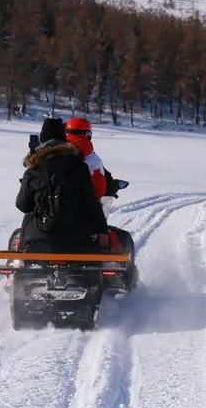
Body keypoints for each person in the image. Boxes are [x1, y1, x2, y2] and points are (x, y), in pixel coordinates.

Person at [14, 117, 109, 253]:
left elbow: (22, 205)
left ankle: (19, 257)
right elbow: (91, 202)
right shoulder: (79, 166)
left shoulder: (33, 169)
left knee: (30, 215)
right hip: (76, 238)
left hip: (39, 238)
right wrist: (102, 231)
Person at [65, 117, 137, 289]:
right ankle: (124, 285)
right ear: (88, 134)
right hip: (84, 223)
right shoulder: (92, 159)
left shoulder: (47, 156)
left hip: (48, 223)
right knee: (122, 239)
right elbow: (99, 189)